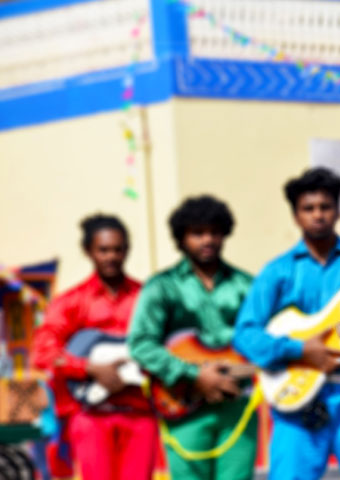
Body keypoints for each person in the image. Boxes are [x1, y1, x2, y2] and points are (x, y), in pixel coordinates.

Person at [234, 167, 340, 480]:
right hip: (295, 395)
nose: (318, 214)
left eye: (325, 206)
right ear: (296, 215)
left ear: (337, 210)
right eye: (308, 208)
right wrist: (298, 350)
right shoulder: (277, 271)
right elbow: (246, 334)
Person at [128, 195, 256, 480]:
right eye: (197, 233)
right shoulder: (162, 286)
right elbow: (141, 343)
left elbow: (269, 338)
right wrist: (194, 375)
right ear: (182, 238)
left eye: (214, 232)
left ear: (224, 233)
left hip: (238, 406)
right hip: (182, 404)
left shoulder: (247, 285)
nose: (207, 239)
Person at [32, 214, 156, 480]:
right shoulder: (70, 302)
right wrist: (89, 368)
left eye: (118, 249)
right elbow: (43, 353)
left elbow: (171, 345)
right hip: (90, 418)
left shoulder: (149, 298)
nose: (111, 257)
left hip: (141, 414)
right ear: (89, 251)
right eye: (103, 250)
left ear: (127, 250)